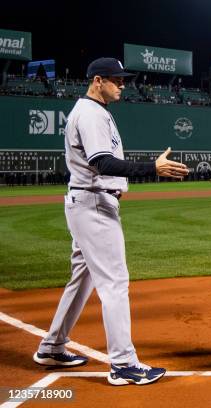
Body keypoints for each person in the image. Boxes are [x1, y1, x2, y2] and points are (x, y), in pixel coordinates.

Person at [33, 57, 189, 386]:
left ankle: (52, 346)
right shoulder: (89, 113)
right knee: (115, 284)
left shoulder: (96, 111)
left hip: (90, 202)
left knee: (83, 279)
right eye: (116, 80)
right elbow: (102, 163)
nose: (122, 84)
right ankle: (123, 364)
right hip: (94, 204)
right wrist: (152, 168)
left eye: (122, 79)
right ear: (97, 81)